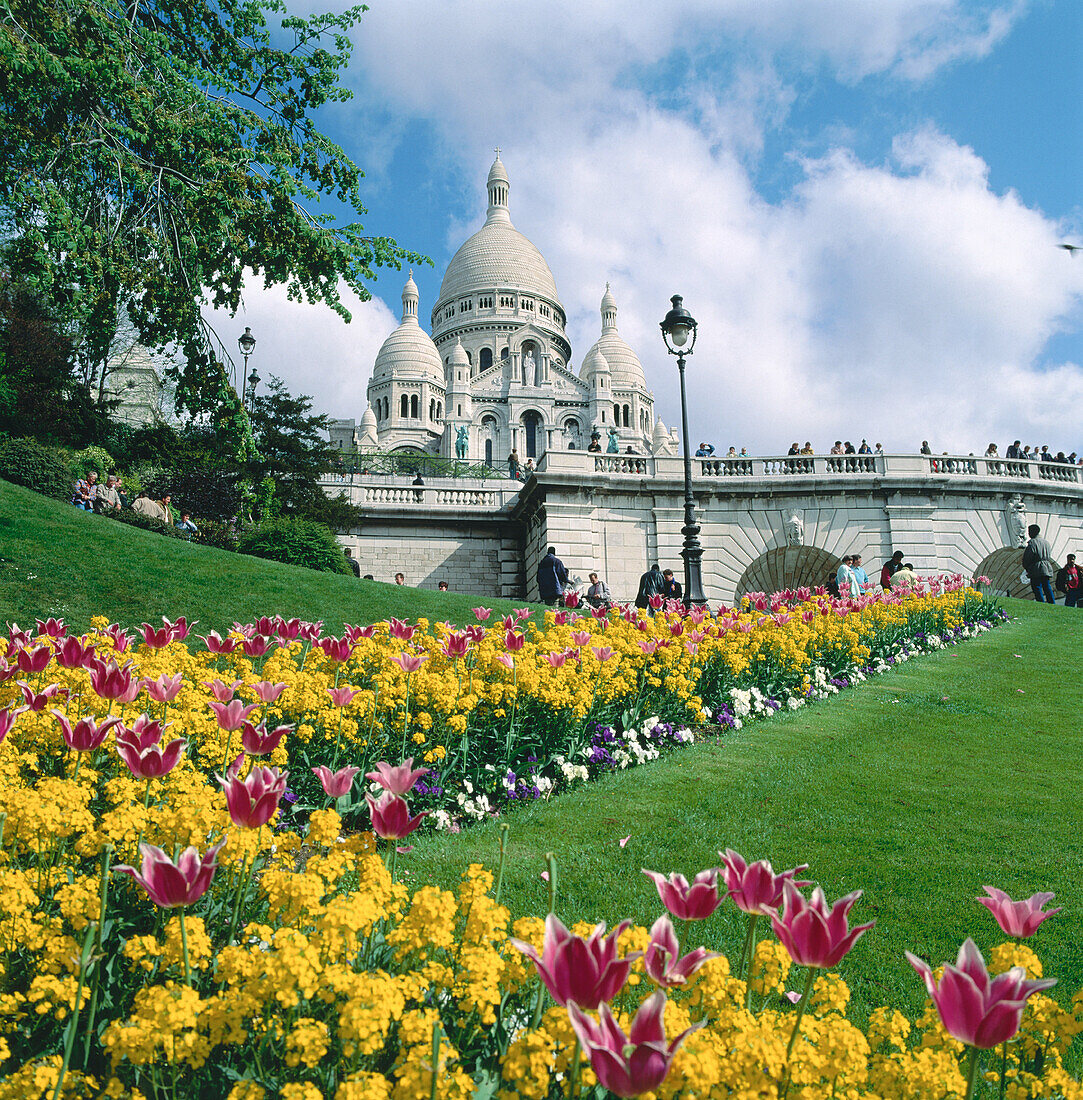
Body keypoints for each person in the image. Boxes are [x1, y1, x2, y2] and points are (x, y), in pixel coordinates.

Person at [1022, 524, 1056, 603]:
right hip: (1046, 566)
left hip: (1036, 567)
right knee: (1047, 586)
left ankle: (1041, 602)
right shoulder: (1046, 542)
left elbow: (1028, 557)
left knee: (1037, 586)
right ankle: (1052, 602)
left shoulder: (1032, 543)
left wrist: (1027, 567)